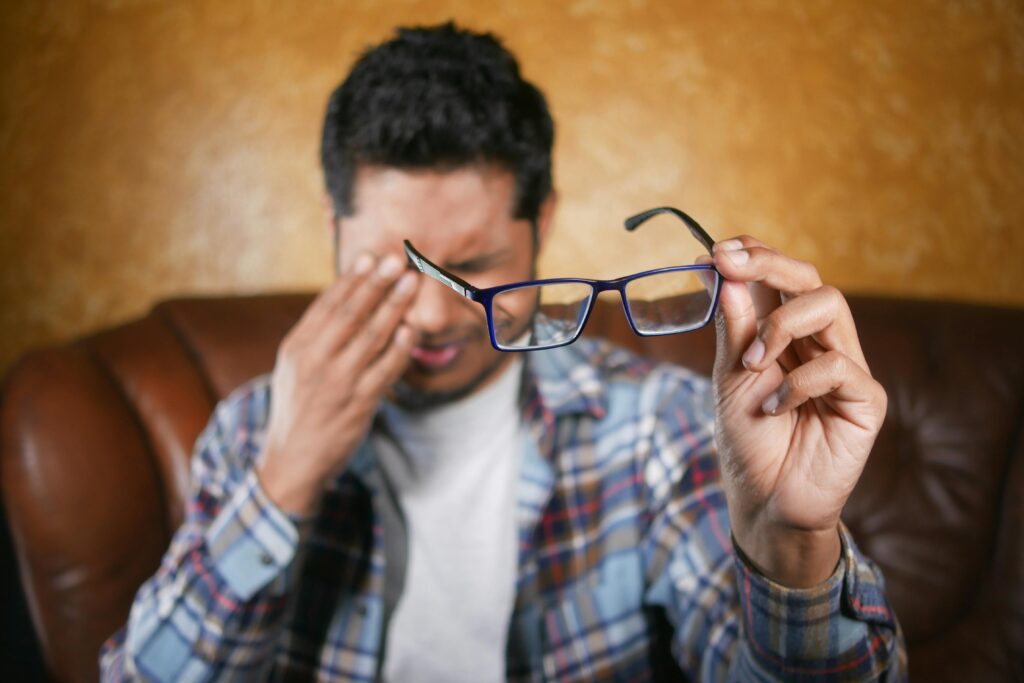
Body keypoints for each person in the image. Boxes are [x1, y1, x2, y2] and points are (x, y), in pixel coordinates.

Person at [100, 22, 905, 682]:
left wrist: (793, 550)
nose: (431, 314)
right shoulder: (251, 430)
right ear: (331, 224)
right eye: (395, 264)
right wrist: (281, 486)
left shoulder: (657, 425)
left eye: (476, 268)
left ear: (542, 224)